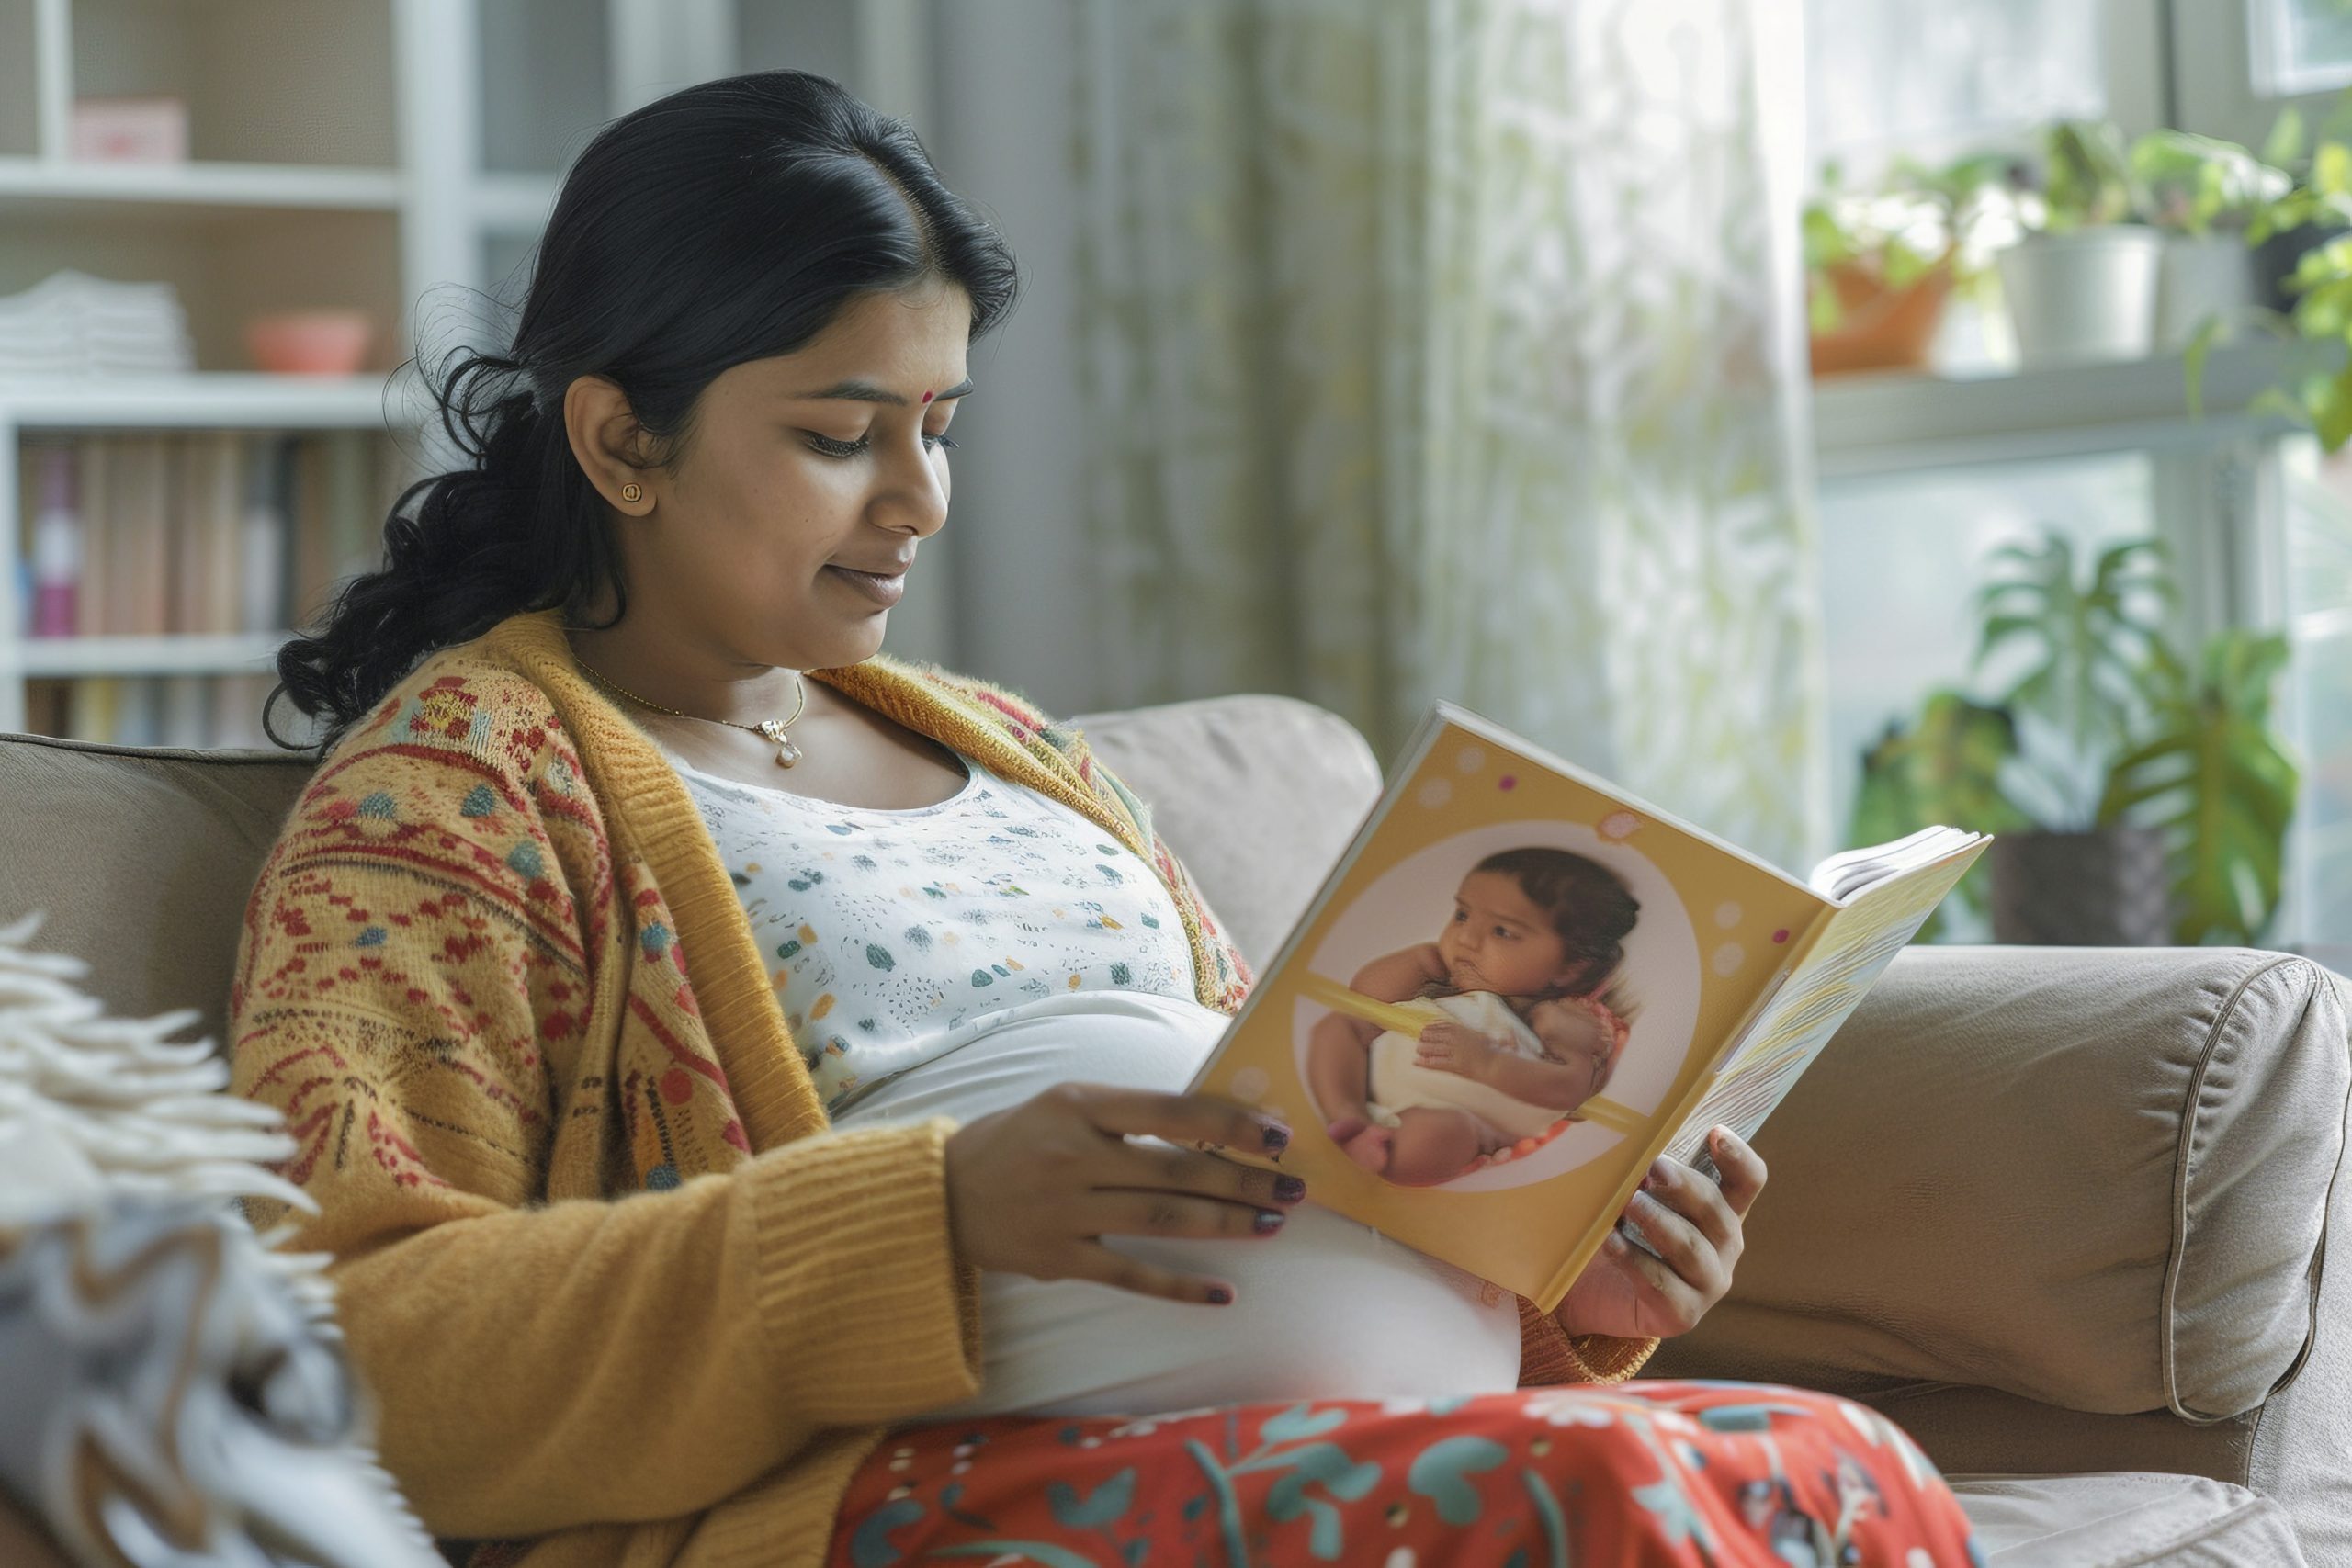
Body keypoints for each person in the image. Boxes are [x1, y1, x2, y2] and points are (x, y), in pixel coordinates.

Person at [229, 70, 1983, 1567]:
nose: (919, 501)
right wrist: (926, 1219)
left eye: (940, 423)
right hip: (887, 1495)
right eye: (843, 434)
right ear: (621, 441)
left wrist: (1572, 1285)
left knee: (1837, 1462)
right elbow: (349, 1355)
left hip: (1337, 1435)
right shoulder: (458, 790)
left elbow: (1296, 1150)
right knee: (1604, 1496)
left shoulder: (1016, 746)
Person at [1310, 848, 1638, 1184]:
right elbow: (1365, 1001)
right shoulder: (1440, 986)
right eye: (1463, 915)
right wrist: (1417, 963)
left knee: (1439, 1136)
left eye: (1502, 932)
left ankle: (1385, 1151)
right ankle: (1347, 1115)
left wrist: (1488, 1063)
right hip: (1374, 1089)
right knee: (1335, 1028)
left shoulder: (1557, 1017)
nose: (1465, 939)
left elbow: (1567, 1089)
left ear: (1571, 968)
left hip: (1456, 1119)